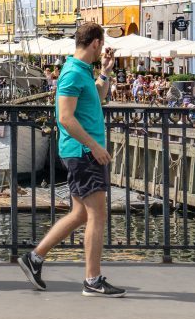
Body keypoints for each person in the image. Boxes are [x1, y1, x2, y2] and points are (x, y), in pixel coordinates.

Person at [18, 22, 125, 297]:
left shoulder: (82, 70)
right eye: (102, 45)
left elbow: (96, 98)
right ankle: (92, 280)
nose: (102, 50)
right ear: (96, 43)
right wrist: (94, 146)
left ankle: (34, 258)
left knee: (80, 214)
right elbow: (65, 118)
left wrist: (105, 73)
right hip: (83, 152)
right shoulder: (73, 73)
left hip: (81, 151)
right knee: (97, 215)